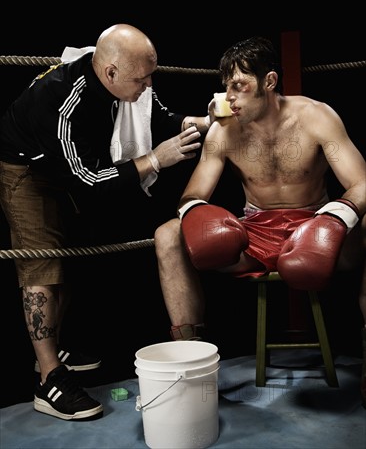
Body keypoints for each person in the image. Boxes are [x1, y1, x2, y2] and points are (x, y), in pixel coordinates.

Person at [0, 24, 217, 420]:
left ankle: (50, 345)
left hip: (73, 167)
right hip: (30, 171)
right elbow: (85, 182)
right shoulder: (61, 100)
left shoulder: (125, 79)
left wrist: (209, 120)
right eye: (142, 77)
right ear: (111, 73)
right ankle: (48, 377)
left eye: (152, 73)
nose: (148, 84)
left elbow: (159, 115)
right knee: (42, 267)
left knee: (71, 260)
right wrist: (155, 159)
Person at [154, 36, 366, 408]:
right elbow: (191, 197)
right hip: (256, 234)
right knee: (168, 234)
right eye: (226, 87)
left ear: (269, 82)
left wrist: (332, 220)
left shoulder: (316, 116)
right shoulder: (224, 130)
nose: (229, 97)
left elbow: (361, 183)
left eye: (239, 86)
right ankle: (190, 367)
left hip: (316, 228)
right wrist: (201, 218)